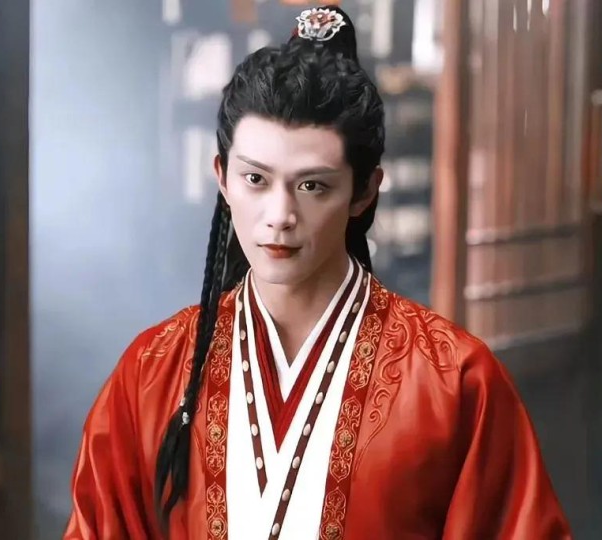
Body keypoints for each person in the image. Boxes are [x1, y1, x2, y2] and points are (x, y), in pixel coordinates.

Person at [64, 5, 571, 539]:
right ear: (223, 177)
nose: (279, 215)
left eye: (312, 186)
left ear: (364, 192)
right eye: (256, 179)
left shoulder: (454, 380)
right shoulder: (153, 372)